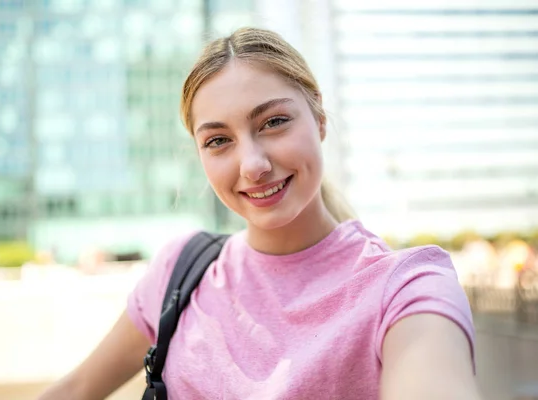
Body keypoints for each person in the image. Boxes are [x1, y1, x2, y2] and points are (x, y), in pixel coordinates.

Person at [37, 27, 481, 400]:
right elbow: (77, 388)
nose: (252, 165)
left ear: (319, 117)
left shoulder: (406, 286)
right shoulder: (180, 272)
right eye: (218, 141)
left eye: (273, 122)